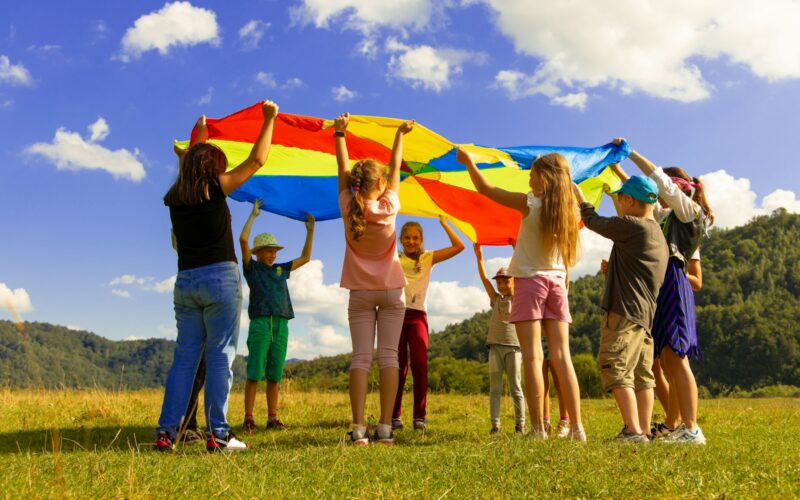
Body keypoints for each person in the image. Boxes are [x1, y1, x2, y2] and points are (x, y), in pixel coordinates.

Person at [155, 100, 279, 453]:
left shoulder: (176, 196)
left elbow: (188, 166)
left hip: (186, 283)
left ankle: (166, 433)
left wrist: (201, 134)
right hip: (219, 281)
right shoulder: (215, 188)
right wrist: (268, 120)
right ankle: (219, 435)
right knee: (221, 356)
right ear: (211, 168)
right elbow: (257, 160)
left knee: (185, 358)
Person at [458, 148, 586, 441]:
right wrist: (572, 188)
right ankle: (577, 428)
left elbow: (485, 188)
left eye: (533, 174)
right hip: (556, 282)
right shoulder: (571, 211)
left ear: (545, 178)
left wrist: (469, 163)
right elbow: (578, 198)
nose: (529, 178)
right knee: (563, 356)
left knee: (531, 357)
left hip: (529, 282)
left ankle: (539, 429)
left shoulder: (530, 203)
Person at [621, 142, 713, 444]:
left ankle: (691, 427)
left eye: (664, 190)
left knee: (677, 359)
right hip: (664, 284)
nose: (658, 195)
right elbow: (640, 199)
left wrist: (632, 153)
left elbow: (656, 177)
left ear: (676, 190)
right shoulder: (668, 216)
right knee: (669, 360)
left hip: (674, 282)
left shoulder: (688, 211)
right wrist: (615, 167)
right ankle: (681, 427)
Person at [335, 112, 414, 445]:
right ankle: (384, 427)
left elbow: (341, 171)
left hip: (360, 294)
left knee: (361, 358)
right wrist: (400, 134)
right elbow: (397, 168)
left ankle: (357, 428)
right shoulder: (390, 206)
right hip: (392, 291)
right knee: (390, 358)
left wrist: (340, 134)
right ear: (380, 186)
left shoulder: (347, 205)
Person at [574, 173, 668, 443]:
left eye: (620, 198)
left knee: (616, 368)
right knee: (642, 376)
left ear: (628, 199)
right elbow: (639, 273)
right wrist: (612, 271)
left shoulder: (633, 225)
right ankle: (645, 431)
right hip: (643, 316)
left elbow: (592, 221)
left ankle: (632, 430)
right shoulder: (656, 235)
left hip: (623, 311)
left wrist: (581, 198)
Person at [240, 199, 315, 432]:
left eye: (274, 251)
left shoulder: (281, 269)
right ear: (258, 253)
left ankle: (272, 417)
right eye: (268, 251)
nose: (273, 254)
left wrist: (310, 231)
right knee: (254, 373)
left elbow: (305, 258)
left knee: (274, 375)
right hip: (261, 323)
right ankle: (249, 418)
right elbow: (243, 240)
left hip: (282, 323)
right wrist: (253, 216)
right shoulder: (252, 269)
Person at [392, 218, 464, 432]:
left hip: (418, 317)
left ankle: (419, 417)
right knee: (397, 368)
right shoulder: (394, 257)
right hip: (395, 315)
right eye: (407, 237)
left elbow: (459, 246)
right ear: (401, 239)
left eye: (415, 237)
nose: (411, 241)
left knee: (420, 365)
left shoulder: (428, 257)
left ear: (421, 239)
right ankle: (394, 415)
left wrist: (444, 222)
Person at [474, 245, 525, 434]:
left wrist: (517, 249)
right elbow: (484, 280)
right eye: (500, 283)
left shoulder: (519, 297)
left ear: (514, 281)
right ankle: (495, 425)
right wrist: (479, 258)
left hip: (514, 348)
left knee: (516, 387)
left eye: (506, 281)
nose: (502, 285)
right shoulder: (496, 299)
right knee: (495, 388)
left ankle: (520, 424)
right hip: (495, 348)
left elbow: (522, 270)